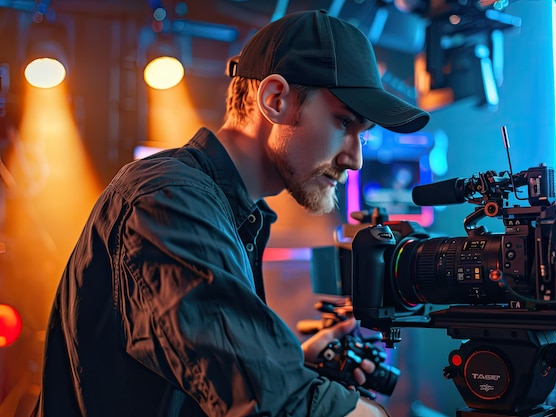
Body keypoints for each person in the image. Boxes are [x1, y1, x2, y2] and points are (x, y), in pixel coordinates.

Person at [31, 9, 429, 417]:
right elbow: (273, 407)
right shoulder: (168, 199)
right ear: (275, 100)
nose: (356, 160)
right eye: (343, 122)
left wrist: (291, 365)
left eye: (363, 135)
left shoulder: (226, 212)